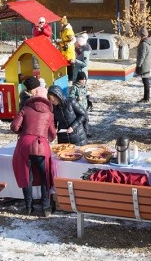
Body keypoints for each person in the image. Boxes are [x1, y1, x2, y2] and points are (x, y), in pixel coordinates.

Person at [11, 81, 57, 216]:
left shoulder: (25, 109)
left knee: (27, 176)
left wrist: (23, 132)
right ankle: (46, 207)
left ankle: (28, 207)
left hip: (25, 146)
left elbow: (14, 127)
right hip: (42, 147)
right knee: (45, 177)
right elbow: (53, 134)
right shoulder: (49, 113)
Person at [68, 71, 91, 137]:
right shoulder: (74, 87)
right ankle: (84, 132)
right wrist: (77, 98)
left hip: (84, 106)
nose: (83, 81)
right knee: (82, 119)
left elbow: (85, 94)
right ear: (78, 79)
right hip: (78, 107)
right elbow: (71, 97)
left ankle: (86, 132)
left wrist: (88, 95)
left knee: (86, 119)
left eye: (84, 79)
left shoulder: (84, 86)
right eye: (82, 79)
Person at [136, 27, 151, 103]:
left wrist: (138, 66)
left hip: (144, 65)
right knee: (145, 81)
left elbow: (142, 56)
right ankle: (146, 97)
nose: (139, 36)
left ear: (142, 35)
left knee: (145, 81)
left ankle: (146, 98)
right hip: (146, 64)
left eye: (140, 35)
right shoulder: (147, 42)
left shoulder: (144, 44)